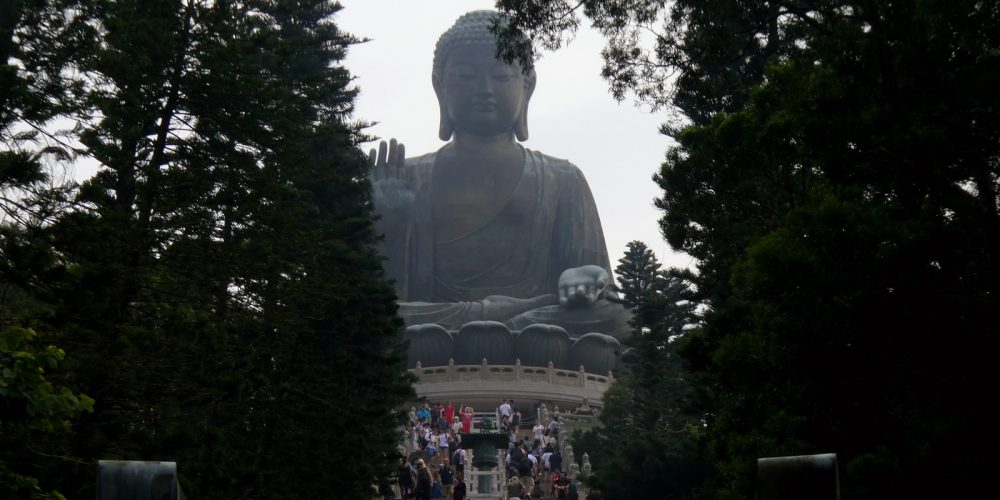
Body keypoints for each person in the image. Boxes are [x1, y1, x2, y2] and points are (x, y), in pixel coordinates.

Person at [370, 10, 628, 339]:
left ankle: (495, 332)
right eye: (465, 77)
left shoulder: (563, 178)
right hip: (453, 326)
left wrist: (584, 279)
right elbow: (377, 298)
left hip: (529, 321)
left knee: (617, 317)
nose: (484, 89)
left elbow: (603, 294)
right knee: (371, 320)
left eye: (502, 76)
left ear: (527, 85)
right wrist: (388, 226)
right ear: (440, 87)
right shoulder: (404, 177)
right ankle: (498, 332)